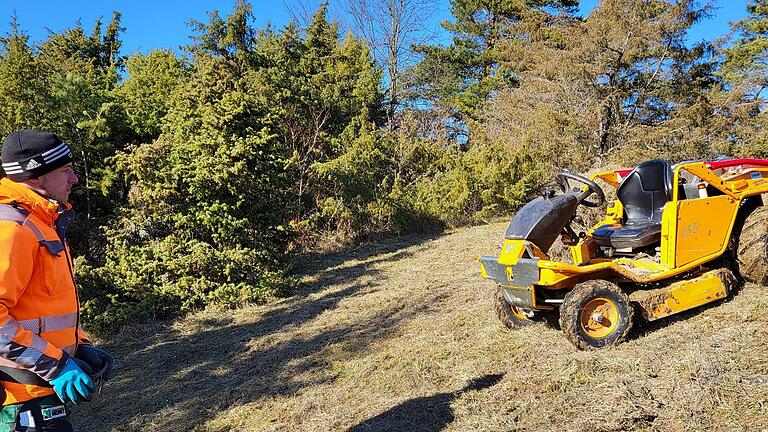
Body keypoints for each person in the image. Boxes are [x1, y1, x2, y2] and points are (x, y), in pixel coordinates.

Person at [0, 130, 114, 431]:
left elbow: (41, 309)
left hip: (39, 394)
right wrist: (57, 364)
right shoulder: (14, 229)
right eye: (65, 170)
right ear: (36, 178)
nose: (74, 179)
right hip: (19, 401)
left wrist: (80, 345)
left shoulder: (41, 223)